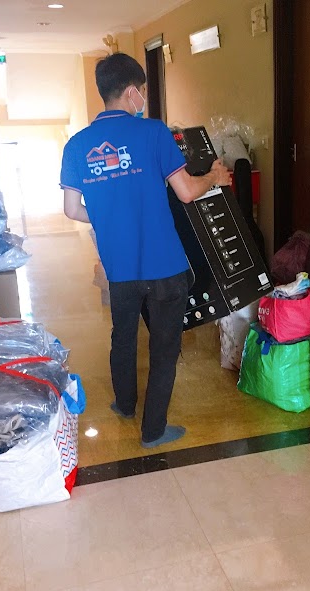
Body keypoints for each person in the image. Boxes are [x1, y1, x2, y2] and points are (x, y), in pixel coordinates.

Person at [60, 53, 231, 449]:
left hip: (119, 269)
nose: (143, 99)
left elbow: (71, 209)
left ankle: (124, 404)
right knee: (164, 347)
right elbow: (186, 192)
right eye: (142, 91)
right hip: (164, 266)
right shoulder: (154, 133)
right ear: (131, 92)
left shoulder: (76, 145)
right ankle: (153, 430)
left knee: (123, 337)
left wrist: (108, 217)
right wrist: (214, 176)